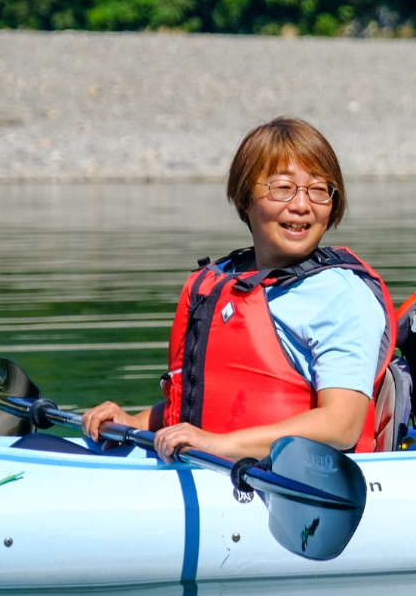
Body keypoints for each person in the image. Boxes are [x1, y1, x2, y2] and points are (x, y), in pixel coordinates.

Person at [82, 116, 394, 463]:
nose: (302, 205)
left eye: (319, 190)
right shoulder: (227, 280)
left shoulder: (341, 297)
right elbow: (204, 401)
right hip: (210, 462)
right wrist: (135, 422)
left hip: (305, 481)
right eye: (282, 188)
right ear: (246, 196)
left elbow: (342, 424)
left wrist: (219, 445)